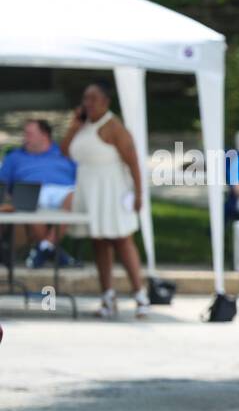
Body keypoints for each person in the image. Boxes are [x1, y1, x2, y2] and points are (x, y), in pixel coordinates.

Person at [61, 82, 149, 319]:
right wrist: (73, 126)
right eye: (85, 98)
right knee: (98, 242)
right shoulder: (82, 125)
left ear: (105, 101)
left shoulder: (114, 127)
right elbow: (64, 151)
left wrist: (139, 194)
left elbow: (132, 161)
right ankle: (108, 295)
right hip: (90, 189)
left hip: (112, 189)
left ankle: (139, 294)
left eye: (93, 98)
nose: (88, 103)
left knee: (121, 239)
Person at [0, 119, 80, 268]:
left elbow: (81, 179)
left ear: (44, 135)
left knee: (75, 197)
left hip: (64, 191)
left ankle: (44, 247)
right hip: (31, 190)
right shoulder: (14, 157)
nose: (25, 138)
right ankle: (49, 249)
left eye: (29, 134)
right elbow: (3, 185)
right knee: (27, 200)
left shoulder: (64, 152)